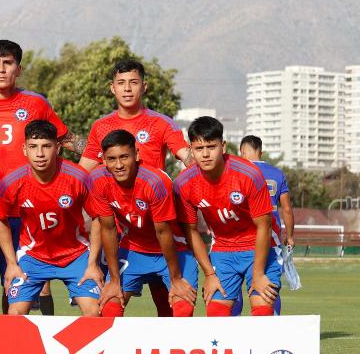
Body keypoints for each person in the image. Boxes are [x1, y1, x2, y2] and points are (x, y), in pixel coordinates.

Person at [0, 39, 83, 314]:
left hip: (23, 214)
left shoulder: (36, 104)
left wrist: (108, 152)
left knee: (15, 287)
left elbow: (68, 139)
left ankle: (9, 350)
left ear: (19, 68)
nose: (2, 69)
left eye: (8, 63)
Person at [78, 58, 193, 318]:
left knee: (169, 307)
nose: (127, 88)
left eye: (133, 82)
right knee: (110, 304)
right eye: (121, 83)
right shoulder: (101, 126)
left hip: (157, 221)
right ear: (112, 88)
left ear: (144, 87)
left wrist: (198, 170)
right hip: (122, 230)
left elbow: (186, 154)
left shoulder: (161, 123)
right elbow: (82, 171)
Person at [0, 120, 103, 316]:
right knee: (15, 314)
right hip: (32, 256)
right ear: (24, 149)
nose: (40, 154)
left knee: (94, 311)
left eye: (46, 146)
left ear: (57, 148)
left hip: (75, 255)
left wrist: (93, 264)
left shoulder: (78, 177)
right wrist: (11, 263)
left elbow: (98, 218)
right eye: (33, 147)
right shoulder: (12, 181)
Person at [173, 116, 282, 317]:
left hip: (259, 245)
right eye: (199, 148)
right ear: (191, 150)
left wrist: (258, 274)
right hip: (223, 249)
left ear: (222, 146)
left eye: (211, 147)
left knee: (262, 308)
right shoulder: (184, 183)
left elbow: (264, 226)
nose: (205, 154)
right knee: (216, 315)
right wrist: (209, 274)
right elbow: (191, 230)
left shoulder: (249, 174)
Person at [91, 130, 198, 317]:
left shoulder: (155, 181)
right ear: (104, 160)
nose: (118, 165)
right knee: (109, 306)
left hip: (173, 248)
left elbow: (163, 232)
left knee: (183, 308)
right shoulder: (97, 180)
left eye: (124, 157)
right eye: (112, 159)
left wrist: (176, 279)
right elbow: (108, 229)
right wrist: (114, 280)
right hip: (134, 249)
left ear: (137, 154)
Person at [233, 134, 293, 315]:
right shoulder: (276, 173)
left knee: (232, 287)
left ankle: (228, 333)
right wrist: (290, 236)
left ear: (242, 151)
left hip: (240, 238)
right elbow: (287, 209)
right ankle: (271, 330)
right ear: (261, 151)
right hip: (270, 238)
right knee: (269, 284)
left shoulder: (237, 172)